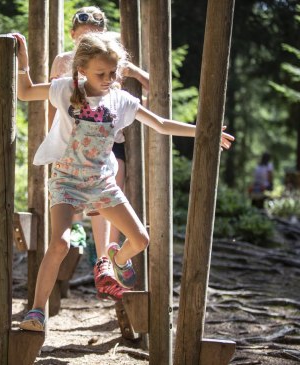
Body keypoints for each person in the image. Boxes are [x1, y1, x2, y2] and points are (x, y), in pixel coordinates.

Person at [13, 31, 234, 331]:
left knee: (140, 240)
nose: (108, 78)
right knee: (59, 244)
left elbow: (160, 124)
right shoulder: (65, 89)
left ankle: (117, 260)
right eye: (101, 73)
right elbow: (25, 93)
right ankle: (36, 311)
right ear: (82, 70)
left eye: (113, 72)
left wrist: (202, 130)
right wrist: (22, 62)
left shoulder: (121, 101)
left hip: (102, 183)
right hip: (67, 180)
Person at [49, 6, 150, 302]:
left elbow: (149, 81)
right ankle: (100, 254)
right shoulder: (65, 62)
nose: (88, 41)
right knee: (83, 198)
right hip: (75, 139)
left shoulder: (110, 56)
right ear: (72, 37)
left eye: (95, 34)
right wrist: (52, 142)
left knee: (110, 187)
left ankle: (109, 258)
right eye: (82, 37)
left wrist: (143, 91)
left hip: (109, 138)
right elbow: (50, 100)